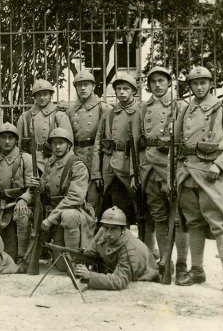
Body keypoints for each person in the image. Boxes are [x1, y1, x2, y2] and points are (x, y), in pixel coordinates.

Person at [175, 66, 223, 298]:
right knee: (194, 222)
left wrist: (220, 164)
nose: (199, 87)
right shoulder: (185, 110)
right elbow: (178, 144)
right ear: (190, 86)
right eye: (194, 83)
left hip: (213, 175)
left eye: (203, 82)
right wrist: (179, 170)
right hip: (188, 175)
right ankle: (197, 270)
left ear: (211, 84)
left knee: (219, 226)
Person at [139, 66, 190, 283]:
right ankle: (164, 263)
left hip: (171, 168)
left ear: (169, 83)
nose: (157, 85)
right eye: (153, 82)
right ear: (148, 85)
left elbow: (185, 140)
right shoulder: (144, 107)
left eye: (162, 81)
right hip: (149, 168)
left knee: (178, 219)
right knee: (159, 217)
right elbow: (139, 140)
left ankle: (181, 266)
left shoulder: (180, 107)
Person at [91, 73, 154, 248]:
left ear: (134, 90)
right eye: (118, 88)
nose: (122, 92)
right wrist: (96, 173)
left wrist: (139, 172)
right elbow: (98, 144)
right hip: (111, 171)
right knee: (112, 214)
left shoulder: (143, 111)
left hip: (134, 170)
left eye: (126, 88)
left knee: (142, 214)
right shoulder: (109, 114)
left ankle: (144, 252)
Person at [0, 122, 36, 262]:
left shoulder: (24, 159)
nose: (7, 141)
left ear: (16, 140)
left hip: (16, 205)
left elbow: (32, 187)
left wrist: (24, 199)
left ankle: (22, 257)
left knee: (22, 214)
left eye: (11, 138)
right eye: (3, 138)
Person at [40, 128, 96, 263]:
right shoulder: (50, 162)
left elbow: (75, 197)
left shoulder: (77, 165)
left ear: (69, 145)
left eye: (61, 143)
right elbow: (45, 187)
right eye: (54, 143)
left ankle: (75, 259)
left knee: (69, 215)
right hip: (53, 210)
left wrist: (50, 219)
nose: (57, 146)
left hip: (74, 211)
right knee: (59, 264)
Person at [74, 206, 159, 290]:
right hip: (115, 268)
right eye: (106, 228)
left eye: (113, 229)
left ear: (123, 229)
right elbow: (89, 253)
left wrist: (90, 275)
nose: (108, 233)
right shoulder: (103, 231)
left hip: (142, 275)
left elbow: (120, 281)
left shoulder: (128, 250)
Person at [67, 70, 111, 215]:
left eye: (86, 85)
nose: (83, 88)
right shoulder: (71, 111)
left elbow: (107, 138)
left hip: (95, 156)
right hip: (77, 156)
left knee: (94, 199)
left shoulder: (103, 108)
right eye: (79, 85)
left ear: (93, 86)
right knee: (77, 196)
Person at [16, 79, 72, 173]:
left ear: (51, 95)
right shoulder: (25, 117)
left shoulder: (59, 115)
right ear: (34, 97)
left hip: (53, 159)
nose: (42, 98)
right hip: (30, 160)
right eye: (38, 94)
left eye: (45, 94)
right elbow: (18, 144)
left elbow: (69, 144)